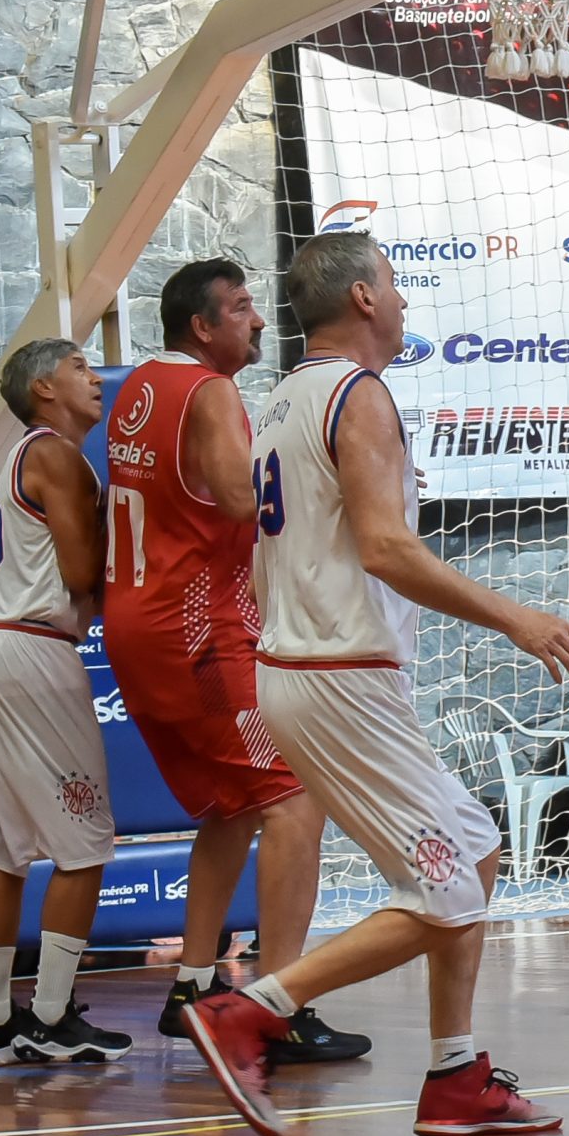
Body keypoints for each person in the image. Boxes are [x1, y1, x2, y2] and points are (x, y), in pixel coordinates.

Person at [184, 233, 569, 1136]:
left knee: (474, 848)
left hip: (300, 667)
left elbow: (271, 553)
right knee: (448, 888)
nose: (405, 300)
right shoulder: (359, 396)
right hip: (337, 676)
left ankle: (455, 1074)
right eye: (397, 283)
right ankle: (252, 1007)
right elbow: (386, 548)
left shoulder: (284, 396)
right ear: (364, 297)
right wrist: (516, 618)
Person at [102, 260, 369, 1060]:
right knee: (294, 797)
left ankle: (191, 985)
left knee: (234, 805)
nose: (258, 322)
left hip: (139, 622)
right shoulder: (210, 393)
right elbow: (241, 501)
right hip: (196, 628)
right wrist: (349, 490)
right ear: (201, 326)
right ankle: (277, 1004)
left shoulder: (142, 384)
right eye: (243, 309)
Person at [0, 339, 130, 1067]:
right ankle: (49, 1017)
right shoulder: (59, 457)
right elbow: (82, 572)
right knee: (86, 841)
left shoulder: (23, 456)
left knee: (2, 848)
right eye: (79, 366)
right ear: (44, 387)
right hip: (28, 647)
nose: (95, 376)